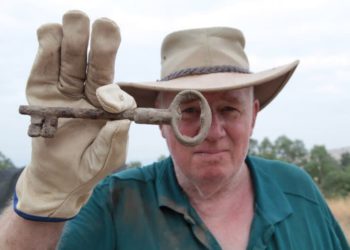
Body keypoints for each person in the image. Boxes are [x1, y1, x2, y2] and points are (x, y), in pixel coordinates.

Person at [0, 10, 348, 250]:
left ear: (253, 115)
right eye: (189, 110)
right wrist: (41, 204)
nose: (212, 131)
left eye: (229, 109)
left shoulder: (297, 191)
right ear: (160, 122)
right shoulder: (113, 200)